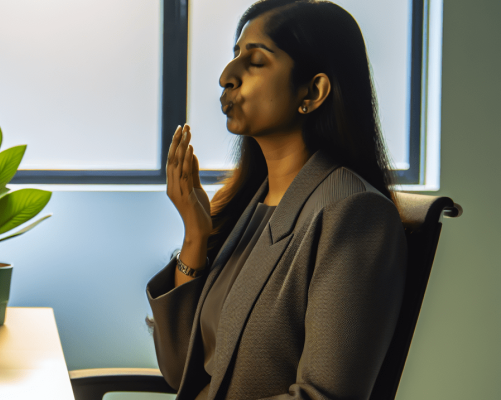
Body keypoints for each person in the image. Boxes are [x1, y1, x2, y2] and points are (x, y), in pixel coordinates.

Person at [147, 1, 407, 399]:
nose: (225, 77)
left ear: (313, 91)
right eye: (234, 56)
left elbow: (325, 395)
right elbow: (180, 372)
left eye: (254, 61)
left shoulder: (353, 213)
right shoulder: (256, 205)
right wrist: (195, 236)